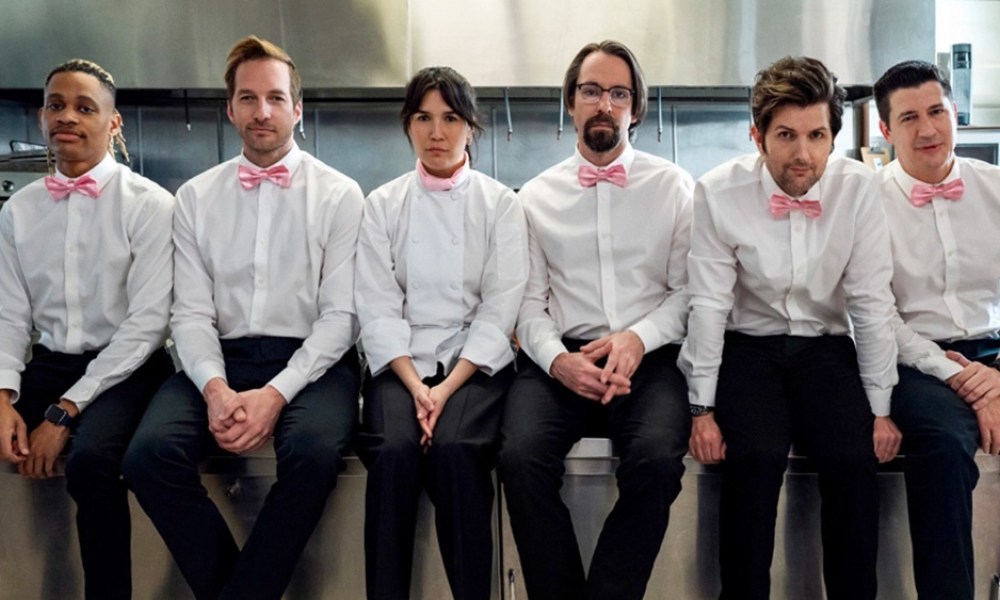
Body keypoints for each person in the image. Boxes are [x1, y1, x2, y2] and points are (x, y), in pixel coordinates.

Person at [121, 36, 364, 600]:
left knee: (311, 454)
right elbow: (190, 313)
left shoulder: (340, 195)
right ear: (229, 108)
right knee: (147, 457)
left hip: (313, 362)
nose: (262, 112)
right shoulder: (195, 197)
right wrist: (214, 388)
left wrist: (274, 394)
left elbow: (341, 317)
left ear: (296, 110)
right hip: (219, 360)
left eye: (276, 99)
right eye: (248, 99)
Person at [679, 56, 900, 600]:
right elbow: (708, 303)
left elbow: (870, 303)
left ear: (833, 137)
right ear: (757, 137)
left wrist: (881, 408)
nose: (802, 154)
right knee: (752, 462)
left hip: (826, 349)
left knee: (853, 462)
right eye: (785, 135)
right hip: (748, 348)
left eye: (816, 135)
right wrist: (701, 410)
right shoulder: (717, 192)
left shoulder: (859, 190)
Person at [498, 40, 694, 600]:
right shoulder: (534, 197)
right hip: (562, 359)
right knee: (519, 458)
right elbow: (528, 305)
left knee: (657, 460)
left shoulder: (674, 188)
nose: (603, 104)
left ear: (636, 108)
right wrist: (559, 362)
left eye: (617, 93)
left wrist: (638, 337)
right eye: (590, 91)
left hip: (650, 358)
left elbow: (689, 292)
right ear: (571, 103)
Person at [0, 59, 174, 599]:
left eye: (84, 107)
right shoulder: (19, 211)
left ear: (113, 123)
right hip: (50, 361)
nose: (67, 117)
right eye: (56, 105)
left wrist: (62, 411)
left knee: (94, 461)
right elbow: (10, 313)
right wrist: (4, 396)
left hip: (129, 368)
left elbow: (147, 325)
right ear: (40, 117)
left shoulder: (151, 205)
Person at [354, 65, 528, 600]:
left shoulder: (501, 204)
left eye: (450, 118)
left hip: (474, 363)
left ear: (470, 127)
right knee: (394, 453)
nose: (437, 133)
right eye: (423, 118)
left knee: (455, 452)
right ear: (407, 126)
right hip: (400, 363)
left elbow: (502, 306)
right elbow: (377, 308)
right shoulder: (382, 205)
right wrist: (416, 388)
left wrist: (445, 390)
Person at [871, 60, 1000, 600]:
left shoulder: (996, 187)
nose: (927, 130)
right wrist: (961, 376)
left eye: (937, 112)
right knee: (945, 450)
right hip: (918, 363)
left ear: (954, 112)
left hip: (996, 352)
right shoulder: (866, 203)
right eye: (908, 118)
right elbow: (875, 316)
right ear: (885, 130)